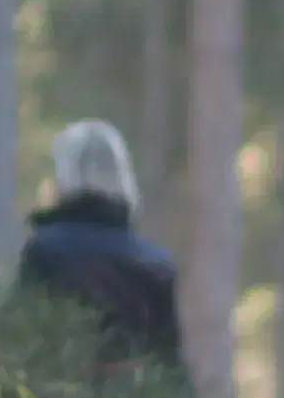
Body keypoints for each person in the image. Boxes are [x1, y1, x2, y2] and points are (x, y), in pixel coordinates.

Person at [13, 117, 185, 368]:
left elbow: (17, 339)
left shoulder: (45, 252)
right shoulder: (156, 264)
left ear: (64, 173)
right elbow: (170, 372)